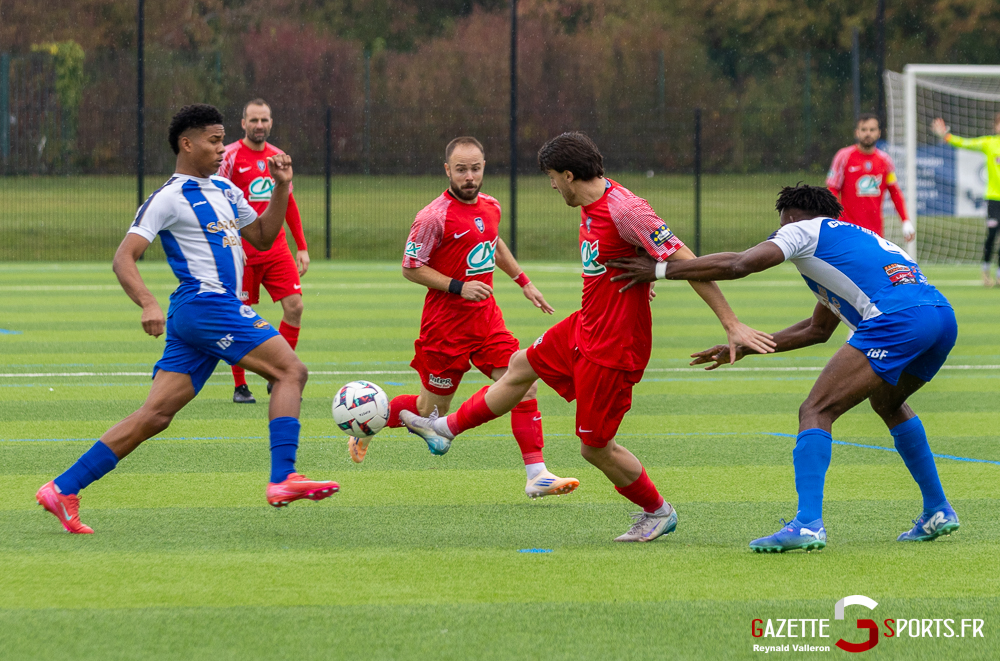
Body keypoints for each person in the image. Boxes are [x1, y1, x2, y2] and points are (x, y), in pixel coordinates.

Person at [400, 132, 773, 542]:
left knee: (595, 448)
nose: (551, 186)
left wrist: (730, 323)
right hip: (585, 325)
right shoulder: (590, 205)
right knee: (521, 365)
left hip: (613, 346)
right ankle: (445, 430)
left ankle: (658, 511)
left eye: (552, 178)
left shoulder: (626, 211)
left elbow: (690, 263)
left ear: (569, 175)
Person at [606, 183, 960, 552]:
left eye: (781, 224)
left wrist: (660, 270)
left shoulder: (802, 229)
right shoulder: (854, 240)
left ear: (790, 217)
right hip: (940, 318)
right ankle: (937, 509)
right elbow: (817, 329)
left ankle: (807, 524)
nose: (779, 231)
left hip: (898, 320)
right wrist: (747, 348)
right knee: (887, 403)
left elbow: (740, 264)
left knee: (816, 410)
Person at [35, 104, 337, 534]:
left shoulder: (226, 190)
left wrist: (282, 187)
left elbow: (264, 236)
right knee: (291, 370)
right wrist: (147, 303)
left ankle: (63, 488)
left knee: (155, 415)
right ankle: (283, 476)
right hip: (206, 305)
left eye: (222, 140)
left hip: (199, 315)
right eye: (214, 141)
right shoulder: (169, 198)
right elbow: (124, 258)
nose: (222, 149)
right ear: (187, 144)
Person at [351, 136, 580, 500]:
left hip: (487, 322)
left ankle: (536, 473)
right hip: (445, 329)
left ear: (484, 167)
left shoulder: (491, 205)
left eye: (475, 168)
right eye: (461, 170)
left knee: (524, 381)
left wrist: (524, 282)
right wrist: (458, 287)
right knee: (430, 411)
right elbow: (411, 267)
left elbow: (493, 242)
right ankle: (368, 424)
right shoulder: (433, 216)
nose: (469, 176)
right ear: (448, 170)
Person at [218, 99, 310, 403]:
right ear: (243, 123)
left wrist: (302, 246)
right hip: (243, 249)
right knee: (239, 316)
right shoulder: (229, 156)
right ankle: (240, 385)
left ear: (271, 122)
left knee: (295, 307)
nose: (260, 125)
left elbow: (288, 202)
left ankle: (280, 374)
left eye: (264, 120)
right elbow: (219, 201)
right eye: (254, 120)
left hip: (276, 248)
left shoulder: (277, 158)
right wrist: (233, 240)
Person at [932, 113, 1000, 287]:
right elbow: (965, 143)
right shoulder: (989, 143)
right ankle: (985, 270)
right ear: (995, 126)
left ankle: (999, 274)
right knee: (992, 235)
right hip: (994, 198)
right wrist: (946, 136)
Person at [827, 113, 914, 243]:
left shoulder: (885, 161)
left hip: (875, 233)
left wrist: (905, 220)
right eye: (864, 129)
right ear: (857, 132)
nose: (868, 133)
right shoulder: (843, 156)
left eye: (872, 130)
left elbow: (894, 192)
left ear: (879, 133)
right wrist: (835, 218)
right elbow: (832, 189)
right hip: (848, 230)